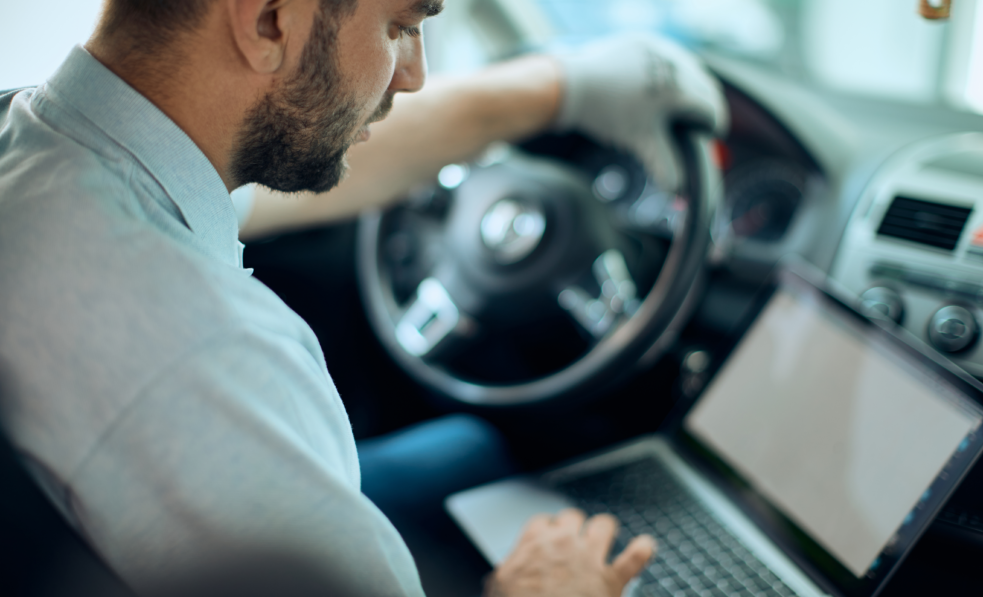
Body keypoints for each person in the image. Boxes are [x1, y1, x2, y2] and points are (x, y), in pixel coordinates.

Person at [0, 0, 726, 595]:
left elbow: (318, 148)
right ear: (267, 22)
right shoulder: (209, 352)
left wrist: (563, 89)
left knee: (468, 447)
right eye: (402, 28)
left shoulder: (45, 147)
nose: (413, 75)